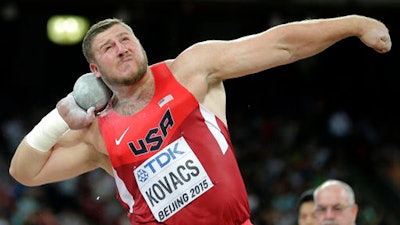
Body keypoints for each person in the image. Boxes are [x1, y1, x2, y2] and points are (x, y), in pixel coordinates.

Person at [9, 14, 391, 225]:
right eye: (109, 48)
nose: (122, 49)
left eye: (126, 39)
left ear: (140, 44)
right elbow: (24, 172)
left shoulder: (192, 70)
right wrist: (60, 119)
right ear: (94, 69)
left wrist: (354, 24)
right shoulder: (96, 135)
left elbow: (282, 44)